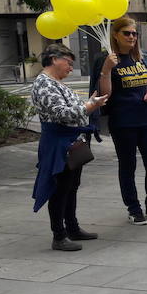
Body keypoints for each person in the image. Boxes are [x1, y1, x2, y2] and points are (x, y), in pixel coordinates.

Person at [93, 16, 147, 225]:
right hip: (123, 123)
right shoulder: (105, 59)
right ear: (115, 35)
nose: (131, 37)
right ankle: (133, 208)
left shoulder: (142, 56)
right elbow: (104, 96)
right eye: (126, 33)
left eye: (134, 33)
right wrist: (106, 69)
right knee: (128, 166)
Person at [31, 44, 109, 251]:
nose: (71, 67)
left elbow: (72, 109)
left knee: (71, 186)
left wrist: (90, 103)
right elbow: (62, 114)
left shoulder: (55, 82)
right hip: (59, 143)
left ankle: (72, 227)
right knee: (60, 189)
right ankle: (59, 235)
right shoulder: (44, 83)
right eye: (68, 62)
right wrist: (90, 105)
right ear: (54, 59)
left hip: (71, 141)